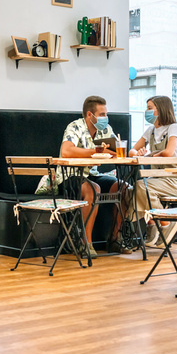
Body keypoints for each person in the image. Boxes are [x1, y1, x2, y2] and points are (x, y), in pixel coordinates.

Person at [60, 95, 131, 257]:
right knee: (94, 188)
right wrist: (96, 152)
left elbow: (115, 151)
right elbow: (66, 151)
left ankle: (115, 239)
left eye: (106, 114)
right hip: (70, 176)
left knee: (123, 187)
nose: (105, 118)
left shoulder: (106, 130)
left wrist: (116, 153)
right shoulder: (75, 127)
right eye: (102, 115)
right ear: (89, 115)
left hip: (93, 174)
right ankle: (85, 243)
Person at [128, 95, 177, 248]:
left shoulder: (174, 128)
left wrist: (149, 155)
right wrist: (138, 154)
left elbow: (168, 152)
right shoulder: (151, 131)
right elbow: (131, 151)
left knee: (141, 187)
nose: (146, 111)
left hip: (176, 180)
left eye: (149, 108)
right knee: (135, 189)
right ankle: (152, 224)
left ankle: (166, 224)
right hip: (158, 180)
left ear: (160, 110)